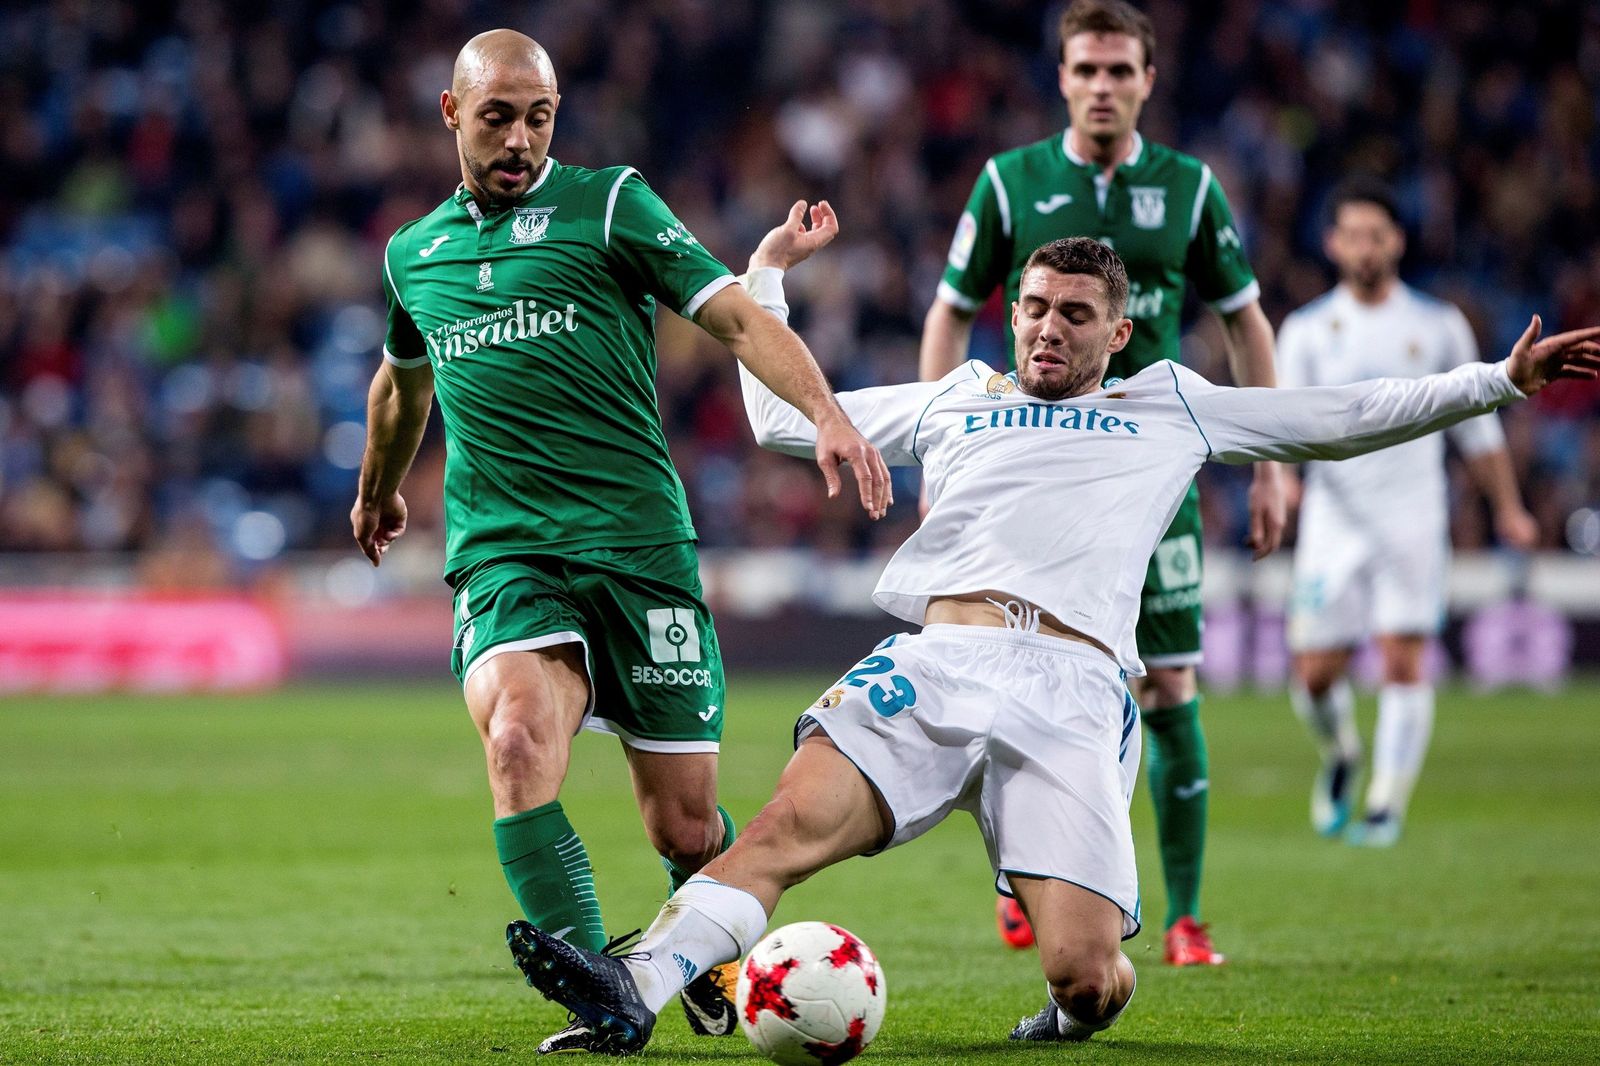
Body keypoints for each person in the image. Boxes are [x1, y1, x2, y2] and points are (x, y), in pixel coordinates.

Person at [502, 218, 1600, 1055]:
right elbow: (783, 418)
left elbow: (1338, 418)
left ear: (1117, 333)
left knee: (1087, 976)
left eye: (1074, 314)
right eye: (1032, 306)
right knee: (786, 825)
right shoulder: (958, 397)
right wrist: (769, 271)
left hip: (1072, 686)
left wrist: (1497, 383)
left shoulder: (1170, 404)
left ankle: (1067, 1014)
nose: (1046, 326)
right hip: (936, 662)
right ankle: (633, 989)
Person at [349, 29, 890, 1053]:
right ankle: (608, 991)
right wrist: (377, 492)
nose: (520, 138)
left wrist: (826, 412)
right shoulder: (411, 254)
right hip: (506, 552)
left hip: (639, 550)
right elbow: (399, 384)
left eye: (539, 117)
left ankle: (701, 953)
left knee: (682, 825)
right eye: (497, 116)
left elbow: (735, 318)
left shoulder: (610, 204)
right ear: (451, 113)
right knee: (516, 739)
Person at [918, 0, 1286, 964]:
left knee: (1170, 683)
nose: (1103, 86)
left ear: (1147, 81)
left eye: (1121, 70)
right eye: (1086, 69)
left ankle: (1185, 918)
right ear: (1063, 78)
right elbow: (949, 313)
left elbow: (1246, 322)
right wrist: (939, 452)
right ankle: (1025, 875)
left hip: (1148, 478)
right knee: (1003, 673)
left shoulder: (1190, 189)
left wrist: (1270, 468)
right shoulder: (1010, 182)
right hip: (1026, 474)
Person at [1277, 179, 1538, 846]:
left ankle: (1385, 808)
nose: (1365, 248)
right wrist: (1282, 483)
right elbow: (1278, 421)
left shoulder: (1438, 324)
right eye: (1353, 236)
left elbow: (1477, 424)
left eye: (1376, 235)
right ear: (1332, 244)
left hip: (1413, 511)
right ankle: (1341, 753)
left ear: (1396, 241)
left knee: (1403, 658)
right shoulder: (1306, 330)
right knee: (1315, 673)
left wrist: (1508, 507)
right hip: (1335, 515)